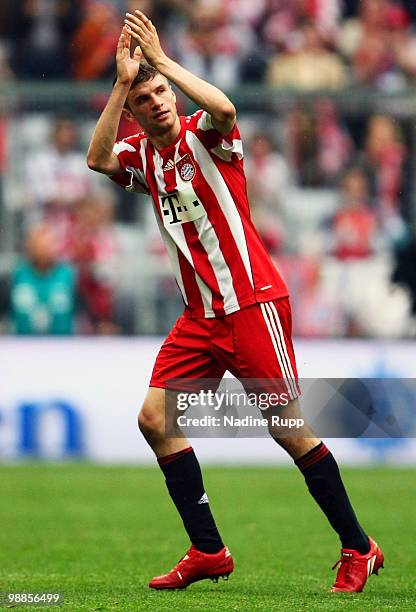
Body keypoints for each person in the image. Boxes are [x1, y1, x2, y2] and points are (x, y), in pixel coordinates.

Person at [87, 8, 384, 592]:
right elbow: (97, 158)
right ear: (134, 112)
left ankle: (359, 546)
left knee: (287, 427)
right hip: (200, 318)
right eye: (144, 100)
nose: (158, 103)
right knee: (154, 419)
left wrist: (165, 61)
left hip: (252, 304)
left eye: (161, 93)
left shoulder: (207, 134)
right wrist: (121, 83)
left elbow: (225, 108)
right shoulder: (144, 158)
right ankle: (208, 550)